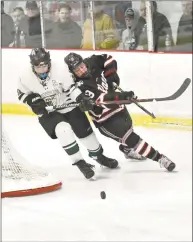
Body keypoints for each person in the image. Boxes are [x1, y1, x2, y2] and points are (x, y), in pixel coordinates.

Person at [17, 48, 118, 180]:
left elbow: (71, 88)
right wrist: (35, 102)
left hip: (69, 105)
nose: (42, 69)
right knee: (63, 130)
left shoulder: (60, 69)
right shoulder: (25, 77)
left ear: (49, 62)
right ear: (32, 65)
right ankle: (80, 163)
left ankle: (99, 156)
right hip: (49, 112)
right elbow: (22, 94)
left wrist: (81, 99)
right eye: (38, 67)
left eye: (44, 65)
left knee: (87, 136)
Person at [64, 52, 176, 172]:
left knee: (129, 127)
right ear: (73, 72)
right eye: (77, 70)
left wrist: (111, 76)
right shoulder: (79, 86)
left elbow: (107, 58)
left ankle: (127, 150)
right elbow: (103, 98)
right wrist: (123, 96)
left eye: (81, 66)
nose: (82, 70)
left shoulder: (91, 62)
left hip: (119, 108)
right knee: (131, 138)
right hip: (106, 120)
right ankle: (161, 159)